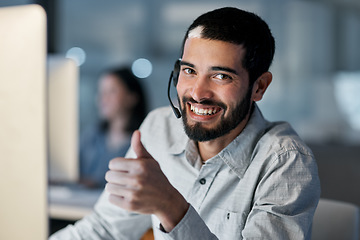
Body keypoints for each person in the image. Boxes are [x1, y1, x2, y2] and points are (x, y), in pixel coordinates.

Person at [50, 7, 320, 239]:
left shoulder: (285, 162)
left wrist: (170, 205)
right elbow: (104, 229)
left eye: (221, 76)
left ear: (259, 87)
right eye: (189, 71)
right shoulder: (158, 128)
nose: (197, 93)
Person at [79, 67, 147, 188]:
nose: (103, 98)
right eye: (101, 92)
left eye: (111, 91)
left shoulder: (144, 141)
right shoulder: (91, 136)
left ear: (132, 97)